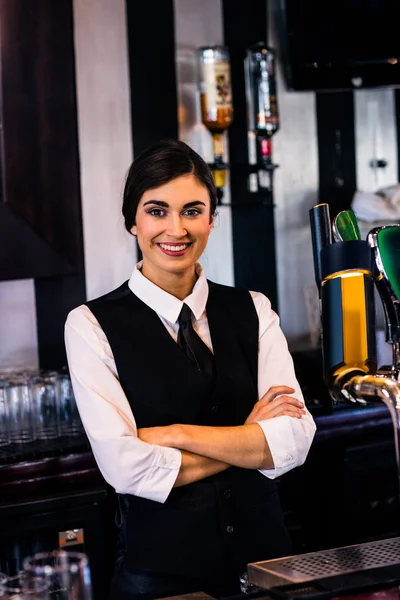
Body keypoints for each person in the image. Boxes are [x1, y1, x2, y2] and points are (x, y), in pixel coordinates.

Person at [65, 139, 316, 600]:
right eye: (157, 210)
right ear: (133, 221)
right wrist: (248, 439)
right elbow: (126, 469)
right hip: (160, 581)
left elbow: (295, 441)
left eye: (192, 210)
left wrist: (175, 433)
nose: (176, 228)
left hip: (269, 570)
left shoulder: (253, 309)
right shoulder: (89, 325)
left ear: (211, 220)